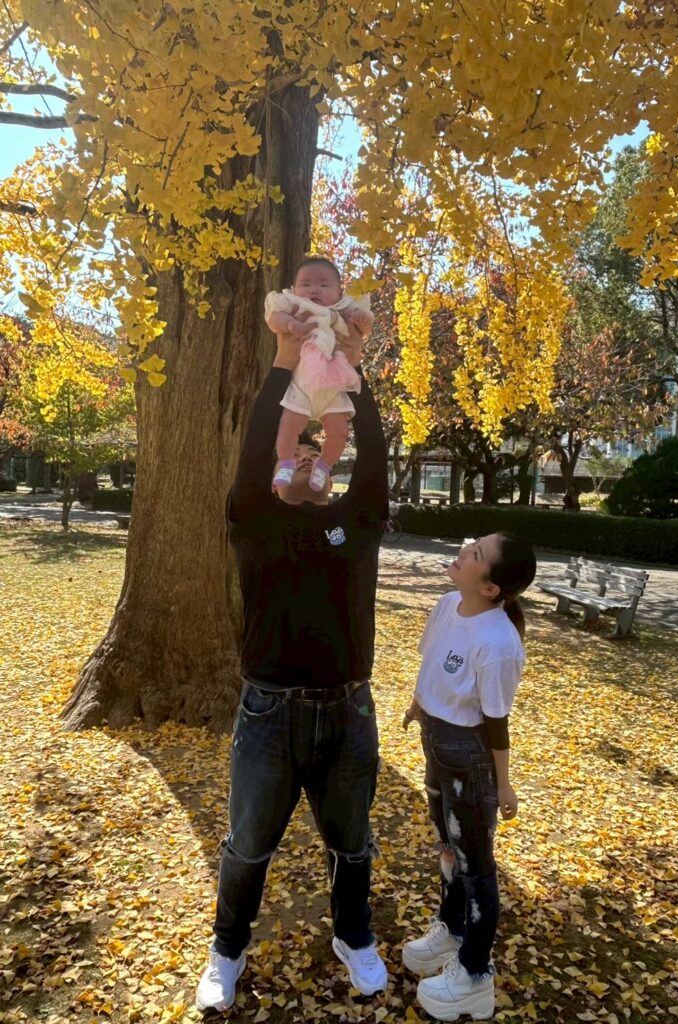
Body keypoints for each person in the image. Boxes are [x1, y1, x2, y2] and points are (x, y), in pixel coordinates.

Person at [195, 292, 389, 1013]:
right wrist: (283, 362)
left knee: (352, 842)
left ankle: (354, 936)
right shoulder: (255, 522)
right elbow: (254, 453)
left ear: (328, 467)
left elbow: (375, 464)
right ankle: (227, 949)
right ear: (278, 470)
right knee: (247, 843)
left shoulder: (355, 524)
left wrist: (355, 372)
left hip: (348, 712)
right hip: (268, 712)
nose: (306, 461)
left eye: (317, 453)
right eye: (294, 454)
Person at [401, 533, 536, 1022]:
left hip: (469, 757)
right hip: (436, 744)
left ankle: (475, 975)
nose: (462, 552)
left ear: (491, 588)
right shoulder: (446, 605)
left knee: (475, 864)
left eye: (475, 554)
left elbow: (496, 721)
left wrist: (503, 784)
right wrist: (418, 704)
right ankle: (452, 930)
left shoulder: (499, 643)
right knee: (446, 845)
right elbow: (432, 665)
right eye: (471, 545)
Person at [267, 257, 373, 493]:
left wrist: (363, 321)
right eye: (306, 284)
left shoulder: (344, 309)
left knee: (340, 432)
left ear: (339, 293)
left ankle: (324, 466)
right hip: (302, 384)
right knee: (288, 426)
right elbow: (273, 318)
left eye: (324, 285)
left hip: (333, 384)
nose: (314, 290)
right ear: (294, 288)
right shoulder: (293, 304)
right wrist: (290, 324)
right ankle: (286, 462)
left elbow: (364, 328)